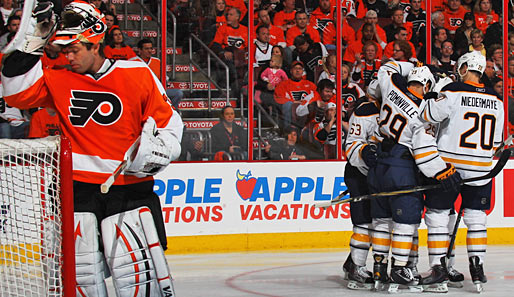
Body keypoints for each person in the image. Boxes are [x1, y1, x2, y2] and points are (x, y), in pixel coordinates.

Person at [1, 2, 183, 295]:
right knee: (80, 279)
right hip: (74, 190)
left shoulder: (137, 73)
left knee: (139, 279)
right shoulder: (58, 76)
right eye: (64, 50)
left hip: (129, 187)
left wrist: (156, 154)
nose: (68, 56)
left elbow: (169, 125)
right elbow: (17, 92)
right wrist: (33, 42)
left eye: (74, 49)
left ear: (96, 43)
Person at [367, 62, 461, 290]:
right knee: (406, 220)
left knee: (381, 220)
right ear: (427, 85)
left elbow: (386, 68)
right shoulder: (423, 113)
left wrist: (411, 66)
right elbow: (424, 152)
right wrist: (443, 171)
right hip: (401, 165)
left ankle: (380, 267)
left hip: (378, 162)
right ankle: (399, 269)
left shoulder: (392, 88)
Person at [419, 51, 504, 293]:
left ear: (466, 67)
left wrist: (436, 93)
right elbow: (496, 141)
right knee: (476, 216)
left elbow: (427, 115)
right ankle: (477, 267)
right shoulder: (497, 100)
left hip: (449, 167)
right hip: (480, 168)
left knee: (438, 214)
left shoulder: (454, 90)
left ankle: (438, 267)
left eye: (461, 67)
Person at [341, 79, 381, 290]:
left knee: (378, 223)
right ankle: (357, 265)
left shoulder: (393, 110)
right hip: (359, 172)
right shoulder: (364, 110)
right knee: (364, 222)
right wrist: (365, 153)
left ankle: (352, 261)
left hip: (380, 174)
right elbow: (351, 145)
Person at [131, 38, 184, 109]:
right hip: (140, 93)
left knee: (178, 93)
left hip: (156, 92)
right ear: (140, 50)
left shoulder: (157, 61)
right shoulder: (132, 62)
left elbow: (164, 78)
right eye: (146, 49)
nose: (149, 51)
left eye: (151, 48)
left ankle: (170, 114)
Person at [274, 60, 317, 129]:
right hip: (291, 109)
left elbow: (317, 97)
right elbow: (278, 98)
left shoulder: (310, 84)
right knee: (287, 104)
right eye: (295, 68)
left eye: (300, 69)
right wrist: (294, 102)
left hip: (306, 109)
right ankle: (287, 130)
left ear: (302, 71)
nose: (297, 71)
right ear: (291, 71)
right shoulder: (283, 84)